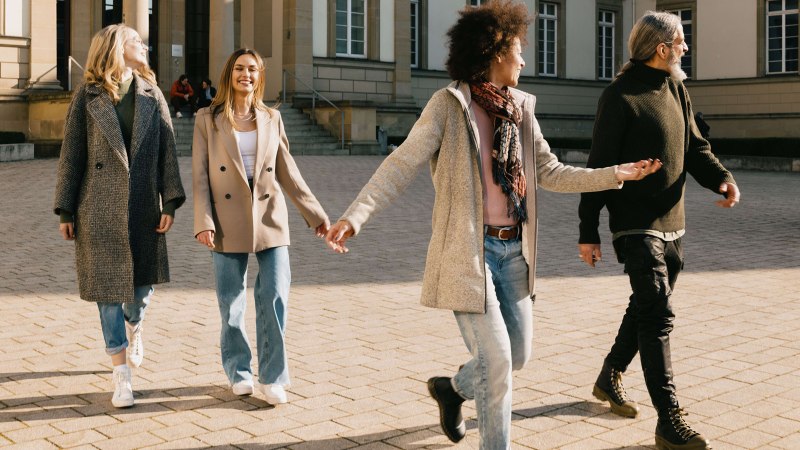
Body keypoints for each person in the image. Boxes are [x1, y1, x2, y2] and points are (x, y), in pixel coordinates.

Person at [324, 2, 661, 448]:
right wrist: (355, 215)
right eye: (518, 51)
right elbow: (401, 162)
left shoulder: (520, 108)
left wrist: (615, 173)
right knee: (498, 360)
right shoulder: (448, 106)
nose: (524, 61)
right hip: (470, 254)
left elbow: (550, 171)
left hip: (514, 252)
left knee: (516, 355)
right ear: (494, 52)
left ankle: (452, 388)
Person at [578, 11, 740, 450]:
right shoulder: (619, 97)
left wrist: (722, 178)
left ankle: (610, 375)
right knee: (658, 315)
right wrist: (587, 230)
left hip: (673, 222)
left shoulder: (675, 87)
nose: (686, 48)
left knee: (649, 305)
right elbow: (598, 166)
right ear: (661, 48)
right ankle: (669, 419)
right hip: (634, 225)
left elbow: (694, 146)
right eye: (681, 41)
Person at [54, 24, 186, 408]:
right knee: (108, 292)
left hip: (144, 204)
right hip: (97, 206)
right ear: (115, 47)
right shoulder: (87, 96)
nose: (143, 45)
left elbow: (168, 152)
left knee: (141, 290)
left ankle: (135, 326)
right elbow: (72, 153)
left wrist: (171, 201)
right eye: (136, 41)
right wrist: (65, 208)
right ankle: (120, 374)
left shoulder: (152, 93)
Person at [192, 48, 330, 405]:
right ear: (229, 74)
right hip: (226, 218)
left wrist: (316, 215)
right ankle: (238, 371)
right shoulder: (207, 119)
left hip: (269, 216)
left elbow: (288, 170)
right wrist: (203, 221)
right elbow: (199, 177)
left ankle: (272, 377)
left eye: (252, 69)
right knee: (231, 302)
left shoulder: (273, 118)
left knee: (275, 294)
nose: (246, 74)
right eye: (239, 68)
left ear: (260, 75)